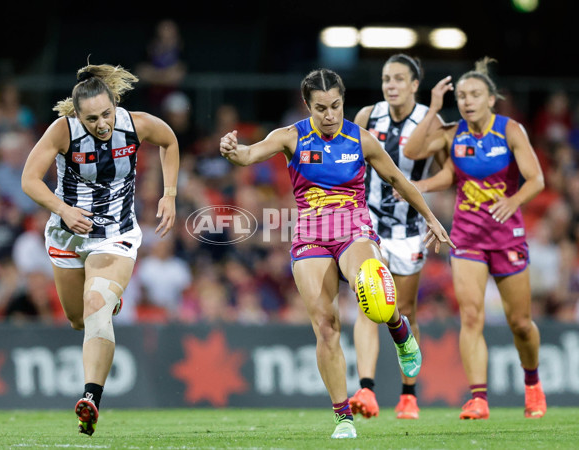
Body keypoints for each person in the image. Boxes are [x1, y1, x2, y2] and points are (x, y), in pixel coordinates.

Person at [219, 68, 454, 439]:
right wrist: (233, 151)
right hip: (311, 234)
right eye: (321, 108)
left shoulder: (361, 139)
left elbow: (398, 179)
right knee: (326, 326)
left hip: (353, 227)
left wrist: (431, 218)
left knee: (373, 289)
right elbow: (248, 155)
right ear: (307, 106)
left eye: (336, 106)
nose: (330, 115)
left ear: (343, 101)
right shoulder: (290, 137)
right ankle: (344, 417)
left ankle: (399, 329)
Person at [21, 63, 180, 435]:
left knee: (96, 304)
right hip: (67, 236)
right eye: (92, 118)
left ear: (116, 103)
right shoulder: (63, 131)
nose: (103, 124)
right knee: (79, 319)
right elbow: (29, 179)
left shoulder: (136, 123)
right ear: (78, 115)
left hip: (116, 235)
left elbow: (170, 140)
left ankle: (90, 398)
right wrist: (63, 210)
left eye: (107, 114)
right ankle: (110, 301)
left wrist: (170, 195)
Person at [403, 57, 547, 420]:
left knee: (521, 323)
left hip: (507, 237)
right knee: (470, 316)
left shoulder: (510, 130)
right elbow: (413, 151)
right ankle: (478, 398)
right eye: (462, 95)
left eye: (474, 95)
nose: (466, 101)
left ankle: (532, 384)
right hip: (466, 237)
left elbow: (537, 180)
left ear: (491, 99)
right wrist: (433, 108)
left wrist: (513, 200)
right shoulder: (454, 133)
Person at [349, 54, 447, 420]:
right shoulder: (366, 116)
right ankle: (367, 388)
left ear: (414, 85)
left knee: (403, 311)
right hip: (368, 224)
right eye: (386, 78)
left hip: (409, 229)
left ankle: (409, 394)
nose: (390, 85)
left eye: (398, 79)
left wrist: (419, 187)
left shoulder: (429, 121)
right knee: (368, 303)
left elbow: (447, 171)